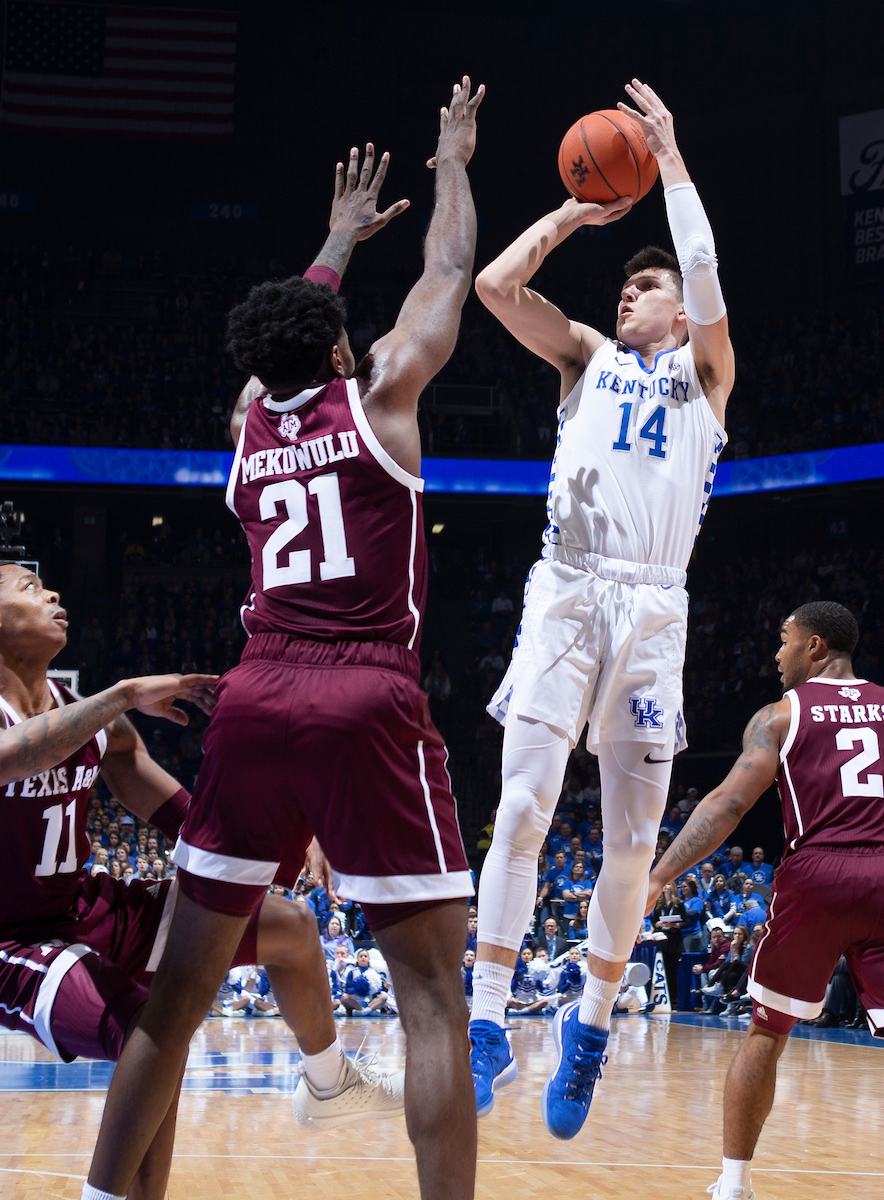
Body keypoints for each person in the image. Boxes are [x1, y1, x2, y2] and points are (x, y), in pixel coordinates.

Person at [83, 76, 484, 1200]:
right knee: (428, 1003)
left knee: (177, 993)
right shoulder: (384, 396)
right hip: (363, 693)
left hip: (253, 697)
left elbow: (276, 351)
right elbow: (447, 271)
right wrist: (452, 157)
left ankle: (99, 1196)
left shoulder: (244, 427)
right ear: (346, 353)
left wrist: (332, 243)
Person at [469, 77, 734, 1138]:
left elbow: (705, 271)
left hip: (654, 616)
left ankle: (585, 1029)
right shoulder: (583, 357)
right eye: (624, 287)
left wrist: (667, 160)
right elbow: (494, 284)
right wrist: (577, 213)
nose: (631, 295)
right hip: (568, 591)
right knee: (525, 806)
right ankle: (486, 1021)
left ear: (680, 311)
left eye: (648, 288)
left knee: (630, 843)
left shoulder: (706, 377)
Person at [0, 564, 399, 1200]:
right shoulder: (94, 712)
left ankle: (330, 1085)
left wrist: (289, 840)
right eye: (26, 587)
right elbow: (16, 755)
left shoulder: (90, 718)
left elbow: (187, 823)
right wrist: (124, 693)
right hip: (13, 940)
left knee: (291, 929)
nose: (51, 593)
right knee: (150, 1026)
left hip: (87, 910)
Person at [646, 600, 884, 1200]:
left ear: (815, 647)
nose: (776, 654)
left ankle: (733, 1185)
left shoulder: (780, 715)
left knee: (766, 1032)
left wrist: (660, 875)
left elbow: (728, 805)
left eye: (784, 640)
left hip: (819, 870)